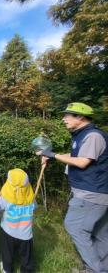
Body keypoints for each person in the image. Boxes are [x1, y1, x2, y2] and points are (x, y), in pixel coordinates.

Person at [38, 102, 108, 273]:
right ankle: (102, 267)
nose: (64, 119)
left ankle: (94, 269)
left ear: (80, 117)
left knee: (74, 226)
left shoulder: (92, 136)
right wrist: (53, 157)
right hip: (96, 193)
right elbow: (79, 155)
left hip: (90, 194)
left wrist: (53, 154)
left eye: (67, 115)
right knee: (100, 233)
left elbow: (83, 162)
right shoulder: (83, 135)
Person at [0, 168, 36, 273]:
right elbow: (34, 207)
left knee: (7, 254)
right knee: (26, 257)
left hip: (9, 232)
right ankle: (27, 270)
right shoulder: (31, 198)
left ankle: (7, 269)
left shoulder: (5, 197)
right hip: (25, 234)